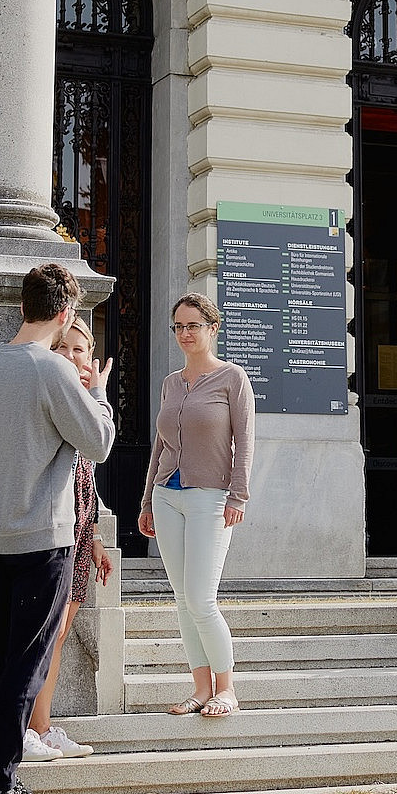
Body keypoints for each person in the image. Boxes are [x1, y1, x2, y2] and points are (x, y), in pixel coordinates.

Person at [0, 263, 115, 794]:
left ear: (23, 307)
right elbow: (97, 443)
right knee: (25, 666)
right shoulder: (52, 371)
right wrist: (96, 392)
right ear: (65, 313)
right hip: (43, 538)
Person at [136, 292, 253, 719]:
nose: (185, 333)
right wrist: (148, 500)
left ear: (212, 328)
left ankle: (228, 688)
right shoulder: (171, 382)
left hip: (211, 499)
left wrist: (237, 496)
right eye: (179, 326)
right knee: (183, 599)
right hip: (168, 497)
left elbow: (245, 442)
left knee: (202, 598)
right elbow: (159, 446)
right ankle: (201, 687)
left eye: (193, 325)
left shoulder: (232, 378)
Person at [20, 313, 115, 764]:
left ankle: (43, 727)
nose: (72, 357)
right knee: (40, 634)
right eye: (63, 348)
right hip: (49, 529)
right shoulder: (56, 393)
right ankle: (26, 729)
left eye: (80, 350)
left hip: (78, 532)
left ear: (92, 359)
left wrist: (93, 533)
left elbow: (88, 471)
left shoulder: (84, 399)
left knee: (56, 636)